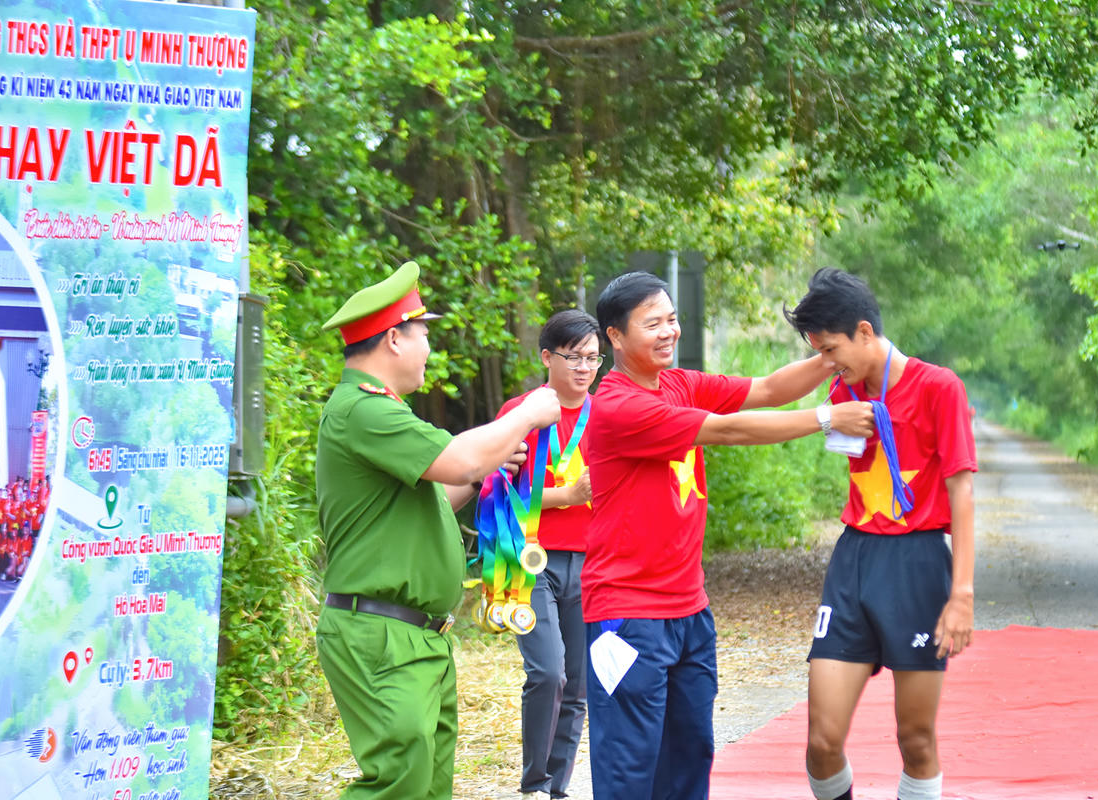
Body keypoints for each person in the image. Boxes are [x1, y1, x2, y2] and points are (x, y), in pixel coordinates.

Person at [581, 271, 876, 799]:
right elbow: (727, 429)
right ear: (615, 337)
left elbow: (767, 390)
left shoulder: (678, 383)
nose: (669, 331)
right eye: (652, 324)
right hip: (628, 617)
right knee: (630, 771)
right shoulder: (618, 406)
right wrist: (826, 417)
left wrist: (835, 353)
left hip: (690, 610)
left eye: (672, 319)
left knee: (691, 758)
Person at [314, 261, 561, 800]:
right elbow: (462, 458)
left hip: (415, 635)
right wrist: (526, 415)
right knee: (398, 783)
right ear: (394, 338)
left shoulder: (384, 414)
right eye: (424, 333)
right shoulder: (364, 411)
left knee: (427, 787)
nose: (429, 348)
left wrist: (484, 476)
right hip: (382, 633)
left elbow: (439, 495)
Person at [783, 267, 976, 800]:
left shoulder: (939, 387)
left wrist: (961, 595)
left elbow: (962, 493)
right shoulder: (843, 391)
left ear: (865, 331)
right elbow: (784, 392)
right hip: (854, 561)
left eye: (831, 349)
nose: (827, 362)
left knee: (915, 739)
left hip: (918, 564)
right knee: (821, 741)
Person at [495, 309, 602, 800]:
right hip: (529, 560)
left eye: (593, 358)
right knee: (547, 672)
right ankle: (534, 784)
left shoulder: (607, 414)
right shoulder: (521, 411)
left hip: (592, 561)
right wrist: (567, 496)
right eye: (574, 357)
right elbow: (496, 493)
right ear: (546, 357)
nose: (584, 368)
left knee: (577, 686)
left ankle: (557, 789)